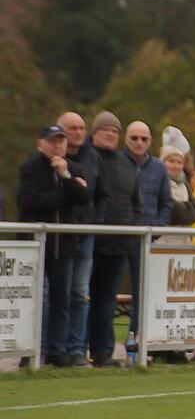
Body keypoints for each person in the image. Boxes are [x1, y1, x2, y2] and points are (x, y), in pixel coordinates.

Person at [17, 125, 90, 367]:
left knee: (62, 300)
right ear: (41, 144)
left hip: (64, 246)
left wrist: (66, 177)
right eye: (53, 141)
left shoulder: (74, 168)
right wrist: (66, 193)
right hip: (35, 249)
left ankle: (57, 351)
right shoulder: (29, 168)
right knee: (37, 300)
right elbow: (30, 202)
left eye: (62, 141)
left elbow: (83, 199)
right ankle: (30, 351)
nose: (58, 146)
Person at [88, 111, 143, 368]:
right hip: (87, 242)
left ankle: (103, 352)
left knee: (106, 299)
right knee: (78, 297)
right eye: (104, 129)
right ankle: (72, 350)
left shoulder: (125, 163)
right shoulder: (87, 158)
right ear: (94, 132)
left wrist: (132, 232)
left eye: (114, 130)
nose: (110, 134)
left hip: (119, 242)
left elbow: (136, 203)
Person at [57, 111, 109, 368]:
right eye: (72, 128)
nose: (77, 132)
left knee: (80, 293)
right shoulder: (53, 157)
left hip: (85, 233)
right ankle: (51, 349)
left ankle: (77, 349)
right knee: (55, 293)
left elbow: (100, 194)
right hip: (58, 235)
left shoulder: (92, 157)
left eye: (80, 127)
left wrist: (94, 221)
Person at [124, 121, 172, 341]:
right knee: (100, 293)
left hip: (146, 240)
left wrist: (156, 229)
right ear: (126, 139)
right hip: (117, 236)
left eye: (143, 138)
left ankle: (135, 343)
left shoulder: (159, 168)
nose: (139, 142)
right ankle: (96, 349)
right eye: (134, 138)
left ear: (150, 141)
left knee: (142, 293)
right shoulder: (117, 163)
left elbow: (166, 204)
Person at [156, 145, 195, 245]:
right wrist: (185, 210)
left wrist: (184, 211)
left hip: (184, 241)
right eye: (171, 161)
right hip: (162, 241)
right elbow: (172, 211)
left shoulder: (185, 185)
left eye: (179, 162)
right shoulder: (157, 183)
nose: (176, 165)